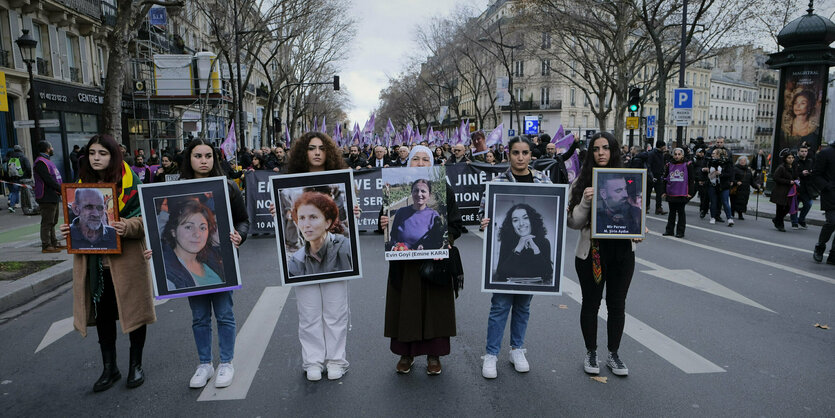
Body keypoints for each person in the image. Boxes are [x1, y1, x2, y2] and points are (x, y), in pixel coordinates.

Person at [58, 134, 156, 392]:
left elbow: (148, 219)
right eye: (92, 153)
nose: (96, 158)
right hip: (94, 265)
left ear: (113, 155)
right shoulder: (79, 187)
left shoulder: (131, 183)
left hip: (127, 261)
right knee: (103, 317)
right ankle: (109, 368)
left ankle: (136, 365)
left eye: (102, 153)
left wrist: (128, 226)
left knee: (135, 312)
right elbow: (75, 221)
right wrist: (69, 230)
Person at [153, 138, 248, 389]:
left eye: (208, 156)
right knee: (199, 316)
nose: (203, 160)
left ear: (215, 159)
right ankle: (204, 364)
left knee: (225, 314)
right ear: (189, 159)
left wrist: (240, 235)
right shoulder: (174, 190)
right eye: (198, 156)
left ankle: (226, 363)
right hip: (186, 266)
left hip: (222, 263)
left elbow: (243, 220)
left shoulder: (227, 187)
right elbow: (160, 227)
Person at [269, 131, 358, 381]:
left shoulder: (343, 183)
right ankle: (313, 362)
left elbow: (348, 223)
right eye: (311, 148)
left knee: (336, 310)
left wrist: (354, 212)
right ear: (303, 153)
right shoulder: (289, 183)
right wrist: (277, 212)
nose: (317, 152)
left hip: (334, 257)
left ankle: (336, 360)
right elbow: (288, 229)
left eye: (321, 148)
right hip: (305, 258)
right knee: (308, 312)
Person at [381, 145, 463, 376]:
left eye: (424, 159)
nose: (419, 163)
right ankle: (406, 354)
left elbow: (455, 224)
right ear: (408, 163)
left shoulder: (445, 191)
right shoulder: (399, 208)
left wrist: (449, 239)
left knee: (435, 307)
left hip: (435, 263)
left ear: (432, 164)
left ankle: (433, 355)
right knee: (406, 306)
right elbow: (386, 226)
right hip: (404, 264)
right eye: (415, 159)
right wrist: (383, 225)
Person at [567, 132, 642, 377]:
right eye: (596, 148)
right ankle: (591, 351)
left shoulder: (629, 178)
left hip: (622, 252)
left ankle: (614, 354)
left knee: (617, 305)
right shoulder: (580, 181)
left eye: (606, 148)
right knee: (591, 303)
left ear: (613, 151)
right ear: (591, 153)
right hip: (592, 253)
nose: (601, 153)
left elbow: (637, 213)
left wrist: (640, 229)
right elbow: (574, 222)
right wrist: (586, 202)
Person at [477, 136, 552, 379]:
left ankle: (517, 349)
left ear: (531, 155)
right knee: (500, 305)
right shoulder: (497, 181)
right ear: (508, 154)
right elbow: (482, 211)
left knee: (523, 305)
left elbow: (557, 205)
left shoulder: (543, 179)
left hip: (531, 263)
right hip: (507, 253)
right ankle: (491, 354)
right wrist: (484, 220)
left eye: (525, 153)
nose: (520, 157)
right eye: (516, 153)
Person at [160, 197, 225, 290]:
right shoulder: (166, 273)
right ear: (173, 231)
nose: (197, 234)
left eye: (202, 228)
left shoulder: (211, 257)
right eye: (189, 227)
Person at [287, 190, 353, 277]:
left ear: (327, 223)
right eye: (302, 218)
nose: (306, 225)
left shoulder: (347, 248)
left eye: (313, 217)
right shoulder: (296, 260)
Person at [386, 178, 444, 251]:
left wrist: (424, 247)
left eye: (423, 191)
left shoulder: (434, 216)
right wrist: (397, 247)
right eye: (416, 191)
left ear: (429, 195)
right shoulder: (401, 212)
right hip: (403, 259)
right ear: (411, 193)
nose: (419, 194)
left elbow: (437, 242)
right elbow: (393, 237)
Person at [33, 141, 64, 253]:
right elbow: (47, 179)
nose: (52, 149)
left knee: (53, 221)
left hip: (53, 195)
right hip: (46, 196)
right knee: (47, 222)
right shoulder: (40, 162)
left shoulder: (46, 161)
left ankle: (54, 242)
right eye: (51, 147)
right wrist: (61, 189)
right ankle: (46, 245)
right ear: (47, 149)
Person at [662, 148, 695, 238]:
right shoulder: (669, 165)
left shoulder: (688, 165)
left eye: (679, 154)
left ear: (682, 155)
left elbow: (691, 180)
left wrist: (690, 193)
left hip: (682, 193)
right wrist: (664, 191)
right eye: (675, 154)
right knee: (671, 212)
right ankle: (669, 230)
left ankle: (680, 231)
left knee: (681, 213)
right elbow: (665, 178)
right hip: (671, 192)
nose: (677, 156)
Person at [812, 140, 835, 264]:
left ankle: (833, 255)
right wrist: (827, 187)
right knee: (832, 222)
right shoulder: (826, 153)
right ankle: (820, 246)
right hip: (831, 194)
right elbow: (816, 174)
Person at [770, 149, 799, 232]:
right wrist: (788, 182)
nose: (791, 159)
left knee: (787, 208)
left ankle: (777, 219)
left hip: (790, 191)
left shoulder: (793, 167)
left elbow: (795, 176)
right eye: (789, 158)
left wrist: (797, 179)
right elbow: (775, 178)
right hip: (780, 191)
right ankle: (780, 224)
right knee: (780, 208)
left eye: (792, 158)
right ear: (785, 159)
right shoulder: (781, 167)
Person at [707, 148, 734, 226]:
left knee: (725, 202)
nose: (712, 155)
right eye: (712, 153)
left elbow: (729, 174)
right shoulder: (710, 162)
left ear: (719, 154)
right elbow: (709, 175)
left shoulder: (727, 163)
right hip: (713, 184)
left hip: (723, 185)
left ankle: (729, 219)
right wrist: (711, 174)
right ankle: (713, 217)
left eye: (714, 153)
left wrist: (720, 174)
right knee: (713, 202)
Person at [795, 145, 815, 229]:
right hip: (796, 187)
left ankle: (801, 219)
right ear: (798, 152)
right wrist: (801, 173)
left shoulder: (810, 161)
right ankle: (795, 221)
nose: (804, 153)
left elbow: (813, 172)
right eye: (802, 151)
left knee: (809, 203)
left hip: (806, 188)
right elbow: (793, 174)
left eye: (805, 151)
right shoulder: (794, 161)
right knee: (795, 205)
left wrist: (810, 173)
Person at [647, 140, 668, 215]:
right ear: (661, 146)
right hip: (651, 176)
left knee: (659, 192)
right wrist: (650, 175)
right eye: (664, 146)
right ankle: (646, 206)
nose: (665, 147)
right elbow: (649, 165)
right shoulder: (652, 153)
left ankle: (659, 208)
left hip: (659, 175)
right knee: (648, 192)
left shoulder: (661, 153)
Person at [731, 156, 755, 220]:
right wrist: (736, 182)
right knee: (734, 201)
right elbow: (731, 178)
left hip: (745, 189)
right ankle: (732, 213)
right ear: (738, 161)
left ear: (746, 162)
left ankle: (740, 214)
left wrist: (756, 187)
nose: (742, 161)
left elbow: (751, 181)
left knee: (743, 202)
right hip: (737, 189)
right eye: (741, 160)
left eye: (744, 160)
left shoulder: (749, 170)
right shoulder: (735, 168)